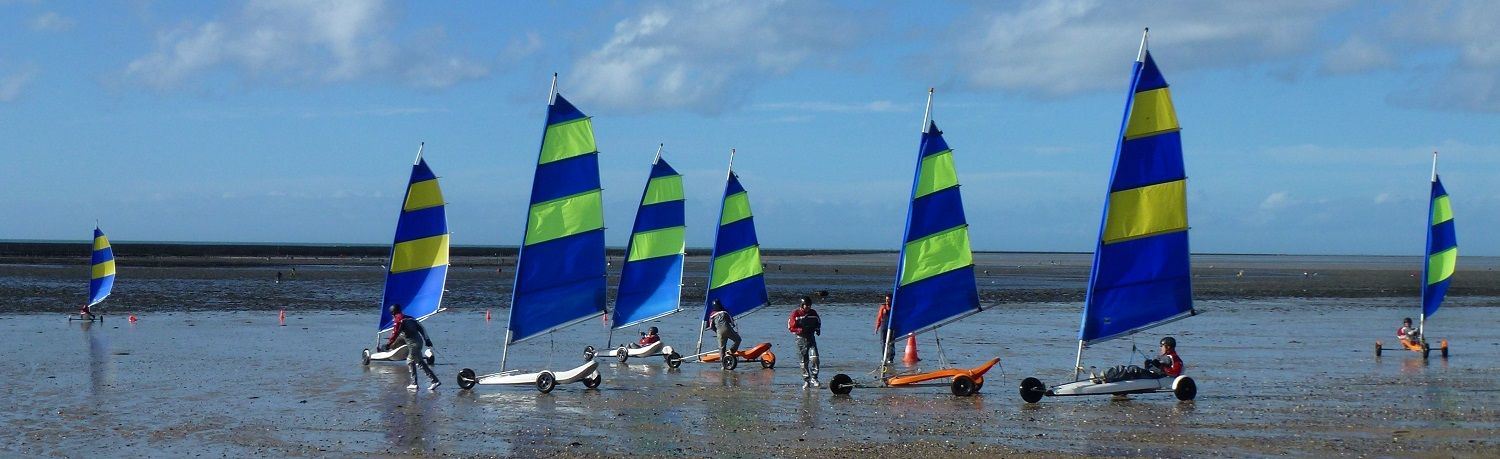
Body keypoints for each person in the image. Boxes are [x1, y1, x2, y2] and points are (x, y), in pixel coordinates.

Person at [1100, 337, 1184, 383]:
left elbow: (1176, 372)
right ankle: (1106, 376)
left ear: (1168, 347)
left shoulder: (1174, 357)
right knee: (1122, 368)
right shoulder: (1163, 356)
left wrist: (1161, 367)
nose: (1160, 347)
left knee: (1133, 369)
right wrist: (1149, 364)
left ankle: (1107, 379)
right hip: (1152, 374)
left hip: (1157, 376)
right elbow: (1154, 367)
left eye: (1161, 346)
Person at [394, 311, 440, 391]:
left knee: (410, 361)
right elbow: (422, 328)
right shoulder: (411, 319)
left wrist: (389, 344)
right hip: (419, 343)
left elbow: (395, 333)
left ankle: (417, 383)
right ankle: (432, 381)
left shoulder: (400, 321)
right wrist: (427, 339)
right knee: (418, 362)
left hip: (414, 346)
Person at [788, 296, 822, 388]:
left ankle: (814, 378)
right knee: (803, 361)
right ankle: (806, 380)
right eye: (806, 305)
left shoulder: (813, 313)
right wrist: (799, 330)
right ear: (802, 305)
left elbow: (818, 322)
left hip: (811, 338)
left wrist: (817, 329)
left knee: (815, 358)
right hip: (800, 340)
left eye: (809, 305)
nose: (808, 307)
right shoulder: (796, 314)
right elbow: (790, 327)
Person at [705, 300, 741, 367]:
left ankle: (723, 365)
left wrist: (717, 331)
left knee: (721, 348)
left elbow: (711, 326)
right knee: (738, 340)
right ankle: (731, 351)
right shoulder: (725, 312)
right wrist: (733, 328)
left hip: (719, 332)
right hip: (728, 329)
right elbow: (732, 323)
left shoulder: (712, 315)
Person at [874, 294, 894, 365]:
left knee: (891, 343)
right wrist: (877, 327)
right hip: (884, 326)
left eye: (888, 299)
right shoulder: (883, 307)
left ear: (891, 300)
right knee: (883, 343)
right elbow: (879, 317)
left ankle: (891, 358)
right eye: (886, 299)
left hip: (892, 327)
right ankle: (884, 357)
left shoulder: (894, 307)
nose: (887, 301)